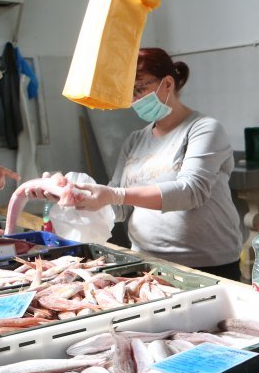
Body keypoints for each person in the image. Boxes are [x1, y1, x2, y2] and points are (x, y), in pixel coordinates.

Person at [51, 48, 243, 280]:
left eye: (140, 88)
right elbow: (119, 208)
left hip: (207, 264)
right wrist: (77, 195)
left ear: (168, 84)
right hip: (147, 262)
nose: (135, 100)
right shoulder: (135, 140)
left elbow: (192, 191)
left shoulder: (203, 128)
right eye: (130, 93)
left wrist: (114, 195)